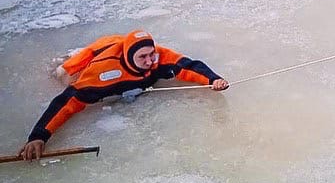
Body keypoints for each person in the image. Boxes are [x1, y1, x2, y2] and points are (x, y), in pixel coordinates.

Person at [19, 30, 229, 160]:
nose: (150, 61)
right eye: (143, 57)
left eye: (151, 55)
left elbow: (188, 66)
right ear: (130, 58)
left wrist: (213, 80)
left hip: (123, 44)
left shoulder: (158, 56)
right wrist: (39, 136)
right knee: (63, 73)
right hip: (100, 51)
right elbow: (67, 102)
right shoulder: (102, 74)